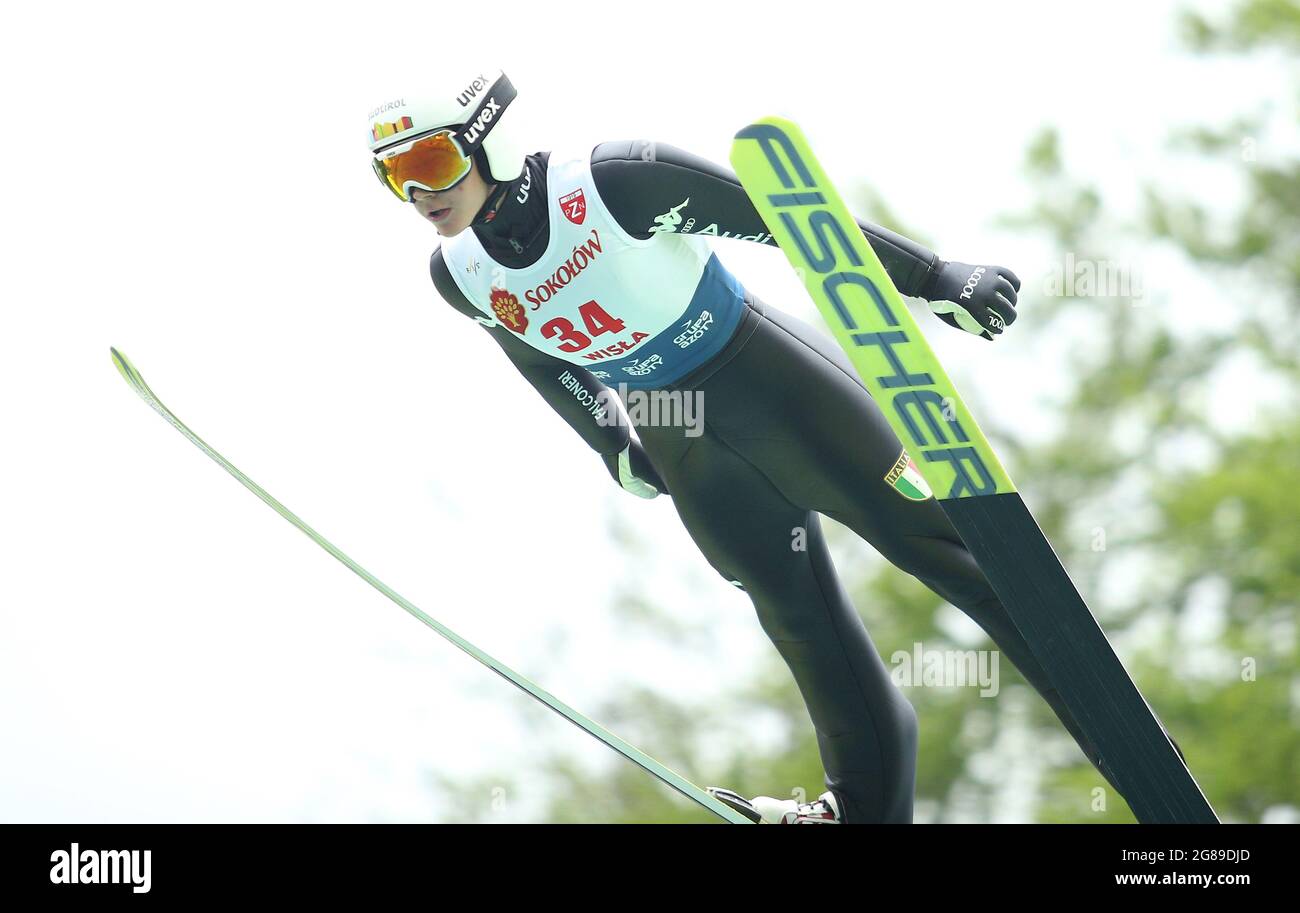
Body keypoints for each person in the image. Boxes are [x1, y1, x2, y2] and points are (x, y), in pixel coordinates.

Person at [368, 69, 1116, 824]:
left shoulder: (613, 181)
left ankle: (1133, 755)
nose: (419, 194)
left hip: (779, 390)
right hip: (686, 444)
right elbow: (539, 361)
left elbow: (792, 219)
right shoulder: (460, 272)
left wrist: (933, 276)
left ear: (489, 139)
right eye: (395, 175)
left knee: (953, 559)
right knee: (799, 623)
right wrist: (611, 444)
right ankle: (861, 810)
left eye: (430, 163)